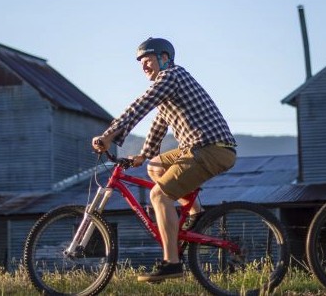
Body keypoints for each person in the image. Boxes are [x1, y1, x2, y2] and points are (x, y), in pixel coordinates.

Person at [92, 37, 237, 283]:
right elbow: (159, 124)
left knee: (158, 196)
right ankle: (196, 214)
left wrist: (108, 135)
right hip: (199, 148)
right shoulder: (169, 86)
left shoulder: (171, 77)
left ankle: (172, 263)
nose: (144, 66)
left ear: (164, 58)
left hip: (210, 149)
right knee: (156, 166)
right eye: (140, 63)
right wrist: (142, 155)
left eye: (147, 60)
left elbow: (139, 106)